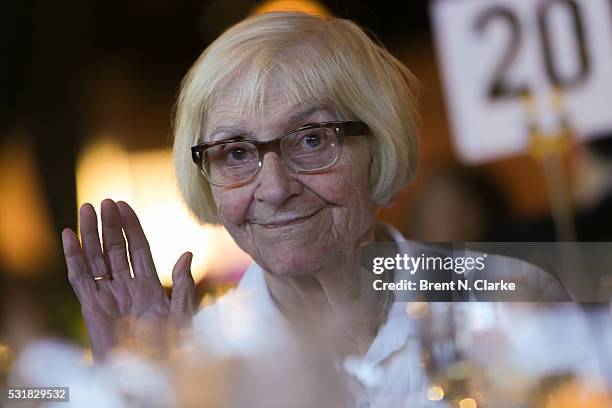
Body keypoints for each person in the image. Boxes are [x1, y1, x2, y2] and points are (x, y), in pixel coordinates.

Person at [61, 11, 567, 406]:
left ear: (379, 146)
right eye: (236, 153)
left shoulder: (510, 301)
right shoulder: (198, 361)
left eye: (311, 139)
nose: (276, 188)